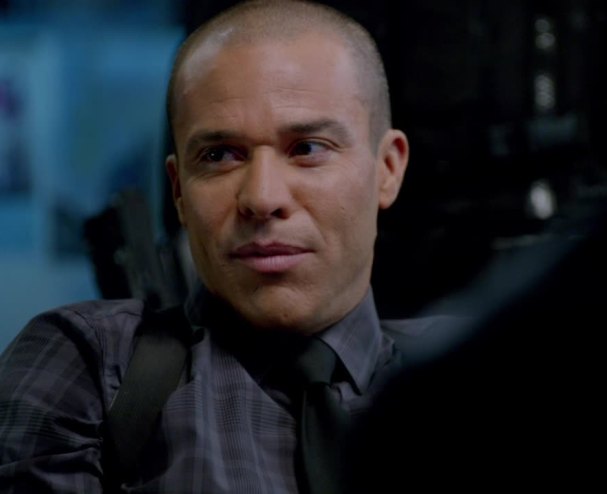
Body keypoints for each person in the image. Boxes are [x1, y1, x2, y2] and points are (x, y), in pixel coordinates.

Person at [0, 1, 425, 492]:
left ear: (387, 169)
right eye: (220, 155)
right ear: (179, 190)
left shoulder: (477, 378)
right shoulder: (91, 364)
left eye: (308, 149)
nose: (262, 197)